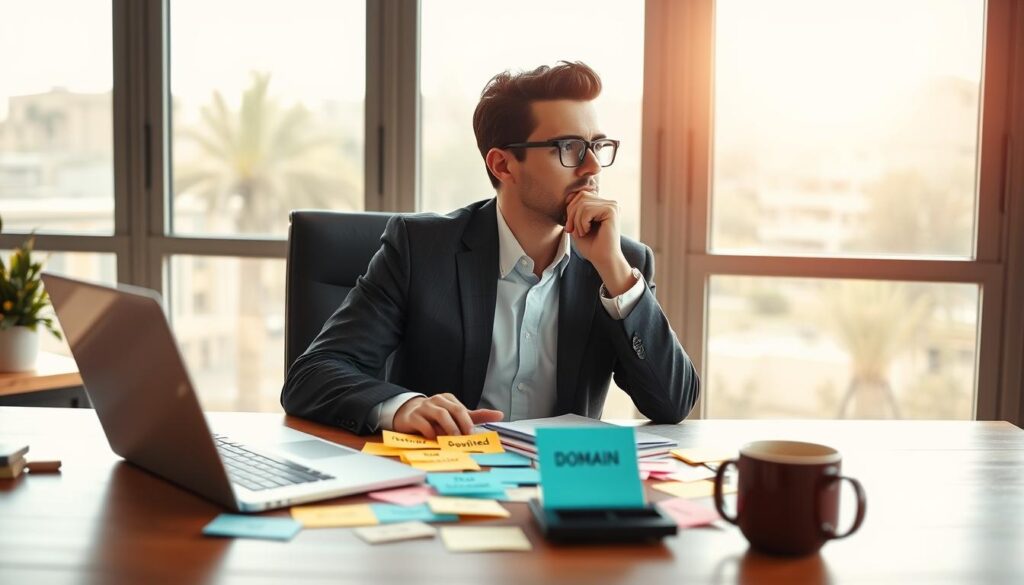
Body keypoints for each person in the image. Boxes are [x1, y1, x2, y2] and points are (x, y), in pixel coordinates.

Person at [281, 61, 699, 438]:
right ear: (502, 165)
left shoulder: (619, 264)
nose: (591, 167)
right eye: (570, 148)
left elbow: (673, 403)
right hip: (446, 482)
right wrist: (403, 406)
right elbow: (313, 375)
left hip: (562, 487)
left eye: (598, 146)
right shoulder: (420, 250)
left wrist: (615, 272)